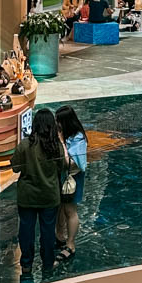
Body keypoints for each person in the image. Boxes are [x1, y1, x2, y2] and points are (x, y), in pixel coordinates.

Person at [11, 107, 66, 283]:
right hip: (49, 196)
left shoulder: (25, 145)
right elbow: (63, 167)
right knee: (48, 232)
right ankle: (48, 264)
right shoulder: (55, 146)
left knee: (26, 231)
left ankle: (26, 265)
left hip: (27, 197)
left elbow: (15, 167)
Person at [56, 104, 87, 262]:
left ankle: (71, 244)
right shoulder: (64, 134)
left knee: (70, 211)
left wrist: (62, 143)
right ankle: (60, 236)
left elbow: (72, 163)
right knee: (60, 209)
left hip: (73, 178)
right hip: (61, 177)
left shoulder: (78, 138)